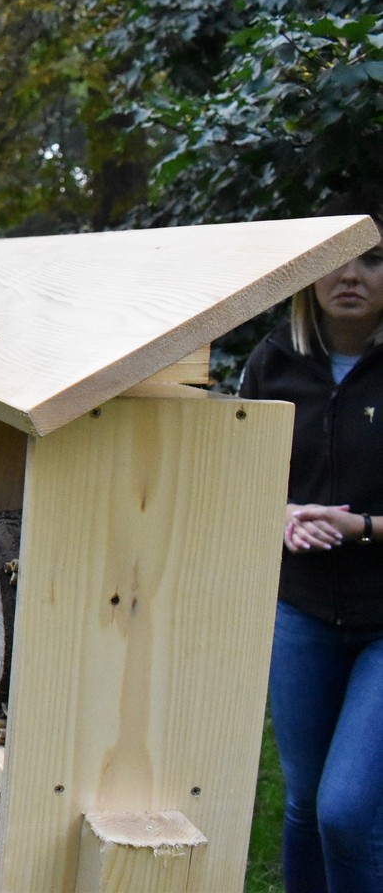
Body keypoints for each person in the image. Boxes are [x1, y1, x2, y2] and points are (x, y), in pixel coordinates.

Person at [239, 233, 383, 892]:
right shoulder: (273, 364)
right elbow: (235, 478)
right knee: (302, 805)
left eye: (372, 259)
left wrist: (363, 527)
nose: (350, 274)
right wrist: (279, 515)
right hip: (300, 613)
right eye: (332, 260)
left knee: (346, 811)